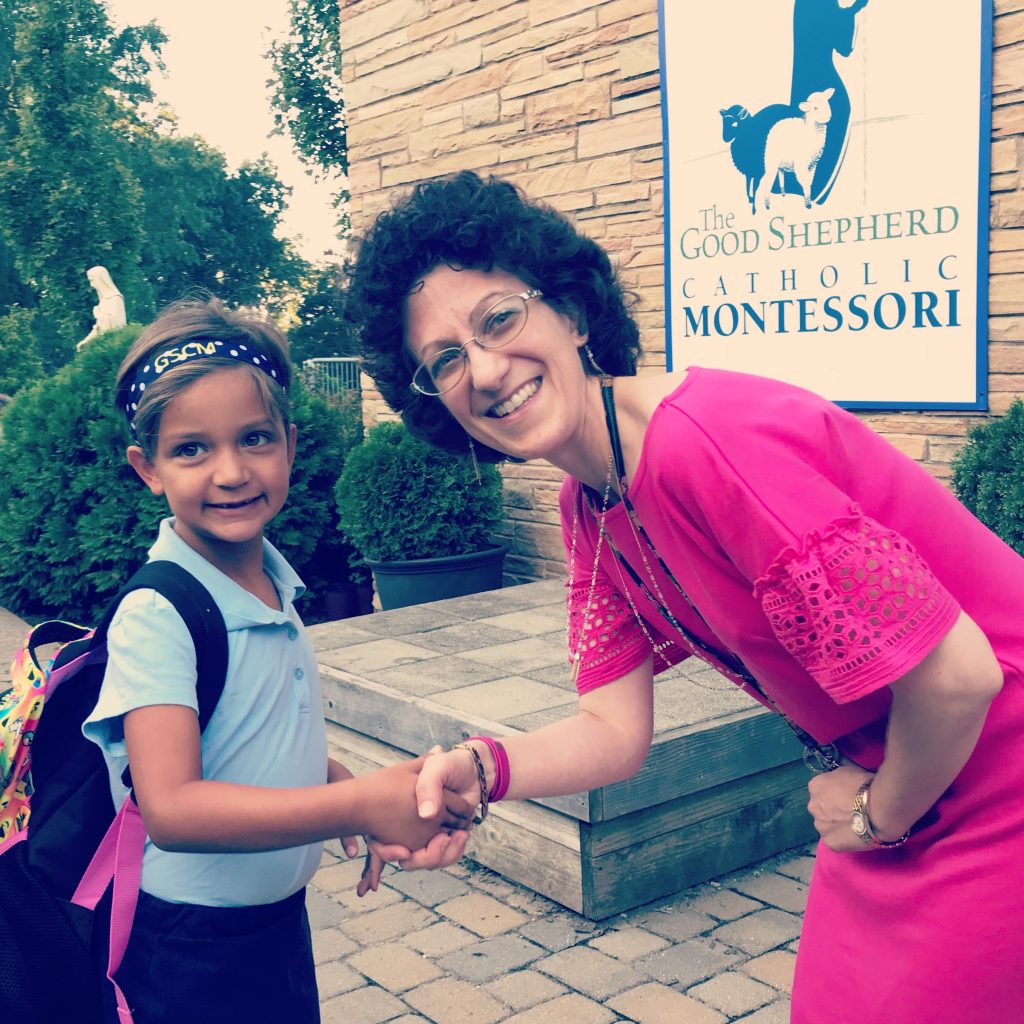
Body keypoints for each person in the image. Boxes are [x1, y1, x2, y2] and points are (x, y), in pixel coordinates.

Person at [345, 170, 1024, 1022]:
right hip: (903, 781)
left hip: (995, 772)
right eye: (444, 360)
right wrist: (481, 768)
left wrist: (877, 815)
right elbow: (612, 733)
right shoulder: (593, 499)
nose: (483, 369)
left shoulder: (705, 445)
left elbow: (961, 677)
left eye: (499, 320)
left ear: (573, 313)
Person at [85, 297, 471, 1023]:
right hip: (191, 947)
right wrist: (354, 802)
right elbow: (171, 808)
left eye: (254, 438)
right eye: (192, 449)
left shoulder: (270, 578)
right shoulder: (160, 612)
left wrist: (323, 777)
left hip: (274, 923)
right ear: (148, 468)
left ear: (290, 446)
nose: (231, 471)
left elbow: (242, 729)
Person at [77, 266, 127, 351]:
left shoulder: (115, 299)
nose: (92, 285)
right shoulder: (102, 302)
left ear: (101, 279)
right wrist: (86, 341)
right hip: (103, 346)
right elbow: (98, 328)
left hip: (115, 345)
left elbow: (116, 325)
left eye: (92, 280)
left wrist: (98, 315)